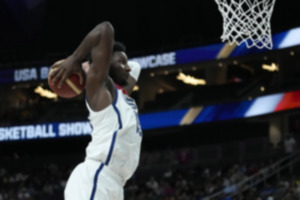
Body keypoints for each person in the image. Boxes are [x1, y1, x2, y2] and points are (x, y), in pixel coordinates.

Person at [50, 21, 142, 200]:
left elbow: (136, 67)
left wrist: (120, 61)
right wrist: (76, 59)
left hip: (115, 184)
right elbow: (105, 29)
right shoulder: (101, 89)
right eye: (122, 62)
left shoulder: (123, 93)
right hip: (97, 176)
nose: (128, 67)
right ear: (106, 65)